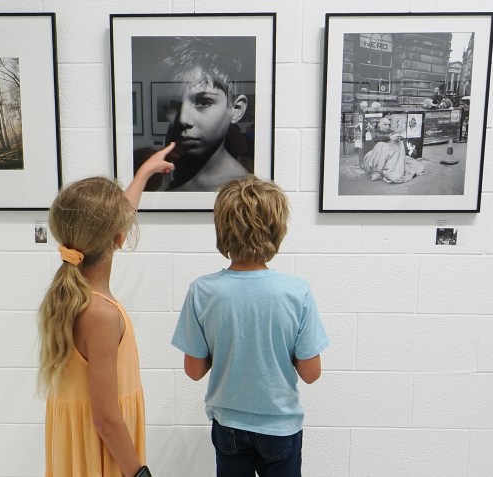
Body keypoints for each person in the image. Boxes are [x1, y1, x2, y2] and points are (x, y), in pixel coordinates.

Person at [171, 176, 329, 477]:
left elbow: (194, 370)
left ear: (222, 229)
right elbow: (311, 373)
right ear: (277, 229)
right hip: (280, 427)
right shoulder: (296, 292)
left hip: (228, 426)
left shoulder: (202, 291)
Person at [38, 143, 175, 477]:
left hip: (83, 446)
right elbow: (106, 418)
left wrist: (144, 173)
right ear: (118, 239)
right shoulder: (100, 314)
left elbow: (116, 218)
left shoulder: (74, 296)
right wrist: (139, 473)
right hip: (102, 452)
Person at [161, 37, 253, 191]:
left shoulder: (243, 190)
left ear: (236, 109)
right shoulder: (163, 178)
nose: (183, 119)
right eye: (174, 105)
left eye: (204, 102)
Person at [360, 115, 426, 183]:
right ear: (380, 125)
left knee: (399, 144)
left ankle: (390, 169)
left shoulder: (390, 131)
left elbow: (394, 140)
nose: (387, 126)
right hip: (378, 154)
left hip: (390, 155)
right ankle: (379, 171)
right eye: (385, 124)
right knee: (380, 145)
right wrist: (389, 137)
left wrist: (398, 138)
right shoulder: (374, 131)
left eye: (389, 125)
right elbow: (377, 137)